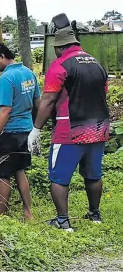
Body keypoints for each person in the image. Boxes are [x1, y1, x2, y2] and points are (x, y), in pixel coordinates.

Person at [29, 25, 109, 232]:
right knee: (93, 173)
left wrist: (36, 128)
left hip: (69, 129)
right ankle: (94, 214)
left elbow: (48, 100)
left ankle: (63, 221)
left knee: (59, 176)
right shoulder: (96, 64)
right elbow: (103, 93)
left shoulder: (61, 65)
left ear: (59, 47)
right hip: (99, 128)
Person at [0, 43, 39, 220]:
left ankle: (1, 216)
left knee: (3, 174)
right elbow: (37, 102)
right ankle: (28, 212)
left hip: (9, 132)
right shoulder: (28, 73)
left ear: (2, 57)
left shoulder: (6, 79)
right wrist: (36, 128)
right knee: (20, 170)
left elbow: (5, 110)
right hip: (26, 130)